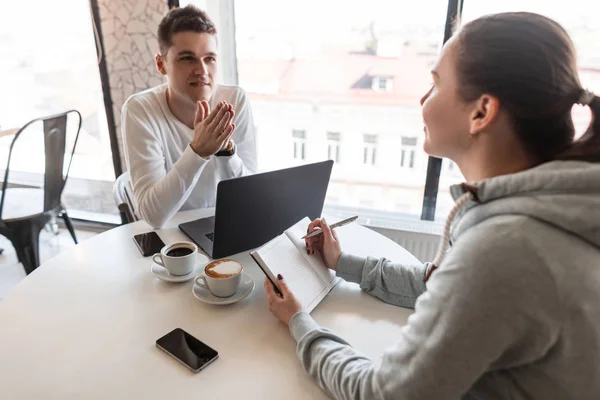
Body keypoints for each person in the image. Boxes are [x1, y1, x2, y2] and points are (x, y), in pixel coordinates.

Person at [264, 12, 600, 399]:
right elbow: (441, 283)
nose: (423, 100)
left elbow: (383, 394)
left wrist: (299, 322)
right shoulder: (549, 208)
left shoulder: (507, 247)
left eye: (436, 84)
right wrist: (342, 262)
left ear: (481, 112)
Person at [121, 5, 257, 228]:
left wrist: (226, 152)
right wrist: (197, 152)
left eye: (209, 58)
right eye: (187, 58)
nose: (202, 70)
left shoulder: (235, 100)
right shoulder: (141, 110)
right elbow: (152, 216)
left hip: (226, 227)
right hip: (172, 236)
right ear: (161, 64)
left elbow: (250, 199)